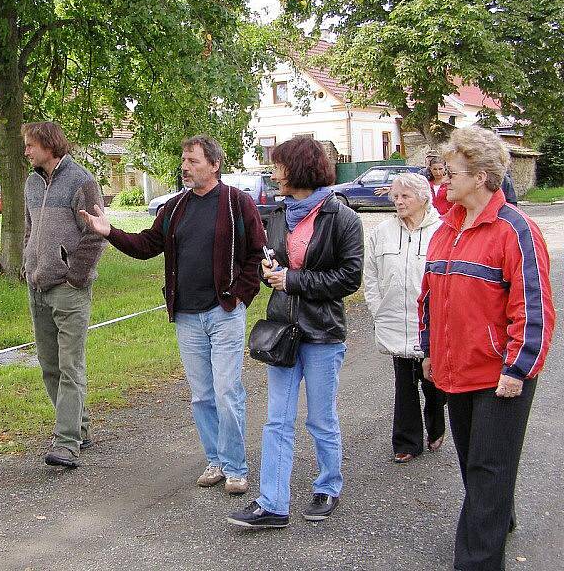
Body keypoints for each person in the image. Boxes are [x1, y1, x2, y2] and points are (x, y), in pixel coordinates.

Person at [79, 135, 266, 495]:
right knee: (202, 395)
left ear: (214, 165)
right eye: (183, 160)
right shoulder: (175, 207)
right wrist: (110, 232)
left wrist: (240, 296)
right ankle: (216, 459)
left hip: (224, 312)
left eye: (193, 161)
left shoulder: (236, 203)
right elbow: (148, 245)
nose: (185, 167)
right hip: (187, 315)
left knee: (228, 391)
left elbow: (255, 254)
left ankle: (236, 467)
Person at [419, 125, 555, 570]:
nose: (444, 181)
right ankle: (501, 514)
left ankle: (476, 562)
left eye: (451, 172)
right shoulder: (446, 230)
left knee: (486, 472)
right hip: (454, 372)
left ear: (479, 176)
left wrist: (518, 368)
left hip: (500, 376)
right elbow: (428, 298)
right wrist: (428, 352)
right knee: (476, 467)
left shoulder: (516, 230)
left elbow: (532, 308)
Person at [227, 137, 363, 528]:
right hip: (283, 331)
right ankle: (273, 503)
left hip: (322, 334)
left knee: (321, 419)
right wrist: (267, 274)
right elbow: (265, 263)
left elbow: (349, 277)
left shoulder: (342, 218)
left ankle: (328, 486)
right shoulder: (276, 215)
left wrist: (294, 280)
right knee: (277, 420)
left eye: (279, 166)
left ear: (299, 169)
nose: (273, 173)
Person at [22, 121, 106, 469]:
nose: (25, 151)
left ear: (49, 144)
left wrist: (75, 277)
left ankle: (66, 443)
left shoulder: (81, 181)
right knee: (50, 366)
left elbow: (96, 233)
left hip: (69, 290)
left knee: (71, 366)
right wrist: (28, 265)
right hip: (37, 287)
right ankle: (79, 428)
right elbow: (30, 227)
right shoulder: (30, 182)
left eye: (30, 145)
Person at [363, 173, 445, 464]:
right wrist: (377, 309)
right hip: (395, 319)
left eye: (405, 196)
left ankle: (436, 422)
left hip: (433, 323)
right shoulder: (381, 233)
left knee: (433, 381)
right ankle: (407, 441)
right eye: (395, 196)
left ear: (423, 198)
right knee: (404, 381)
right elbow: (370, 276)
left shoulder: (443, 231)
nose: (398, 201)